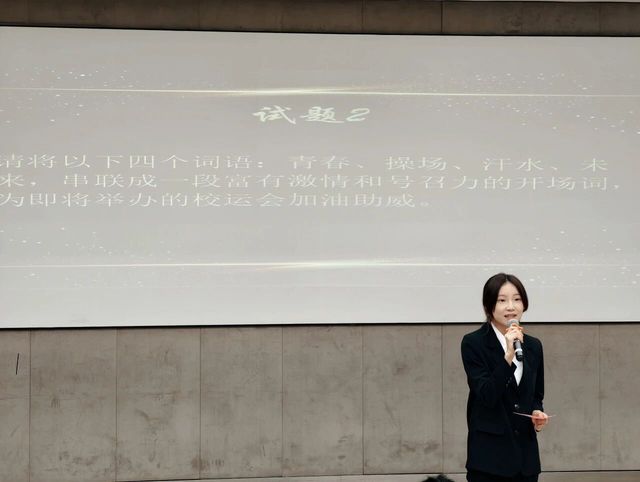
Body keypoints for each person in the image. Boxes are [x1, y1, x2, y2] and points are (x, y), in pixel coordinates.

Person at [461, 273, 549, 482]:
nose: (511, 306)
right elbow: (487, 395)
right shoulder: (473, 343)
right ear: (488, 306)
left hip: (526, 461)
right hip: (489, 460)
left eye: (517, 299)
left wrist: (537, 413)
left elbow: (536, 395)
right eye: (502, 300)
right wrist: (508, 356)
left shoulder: (533, 346)